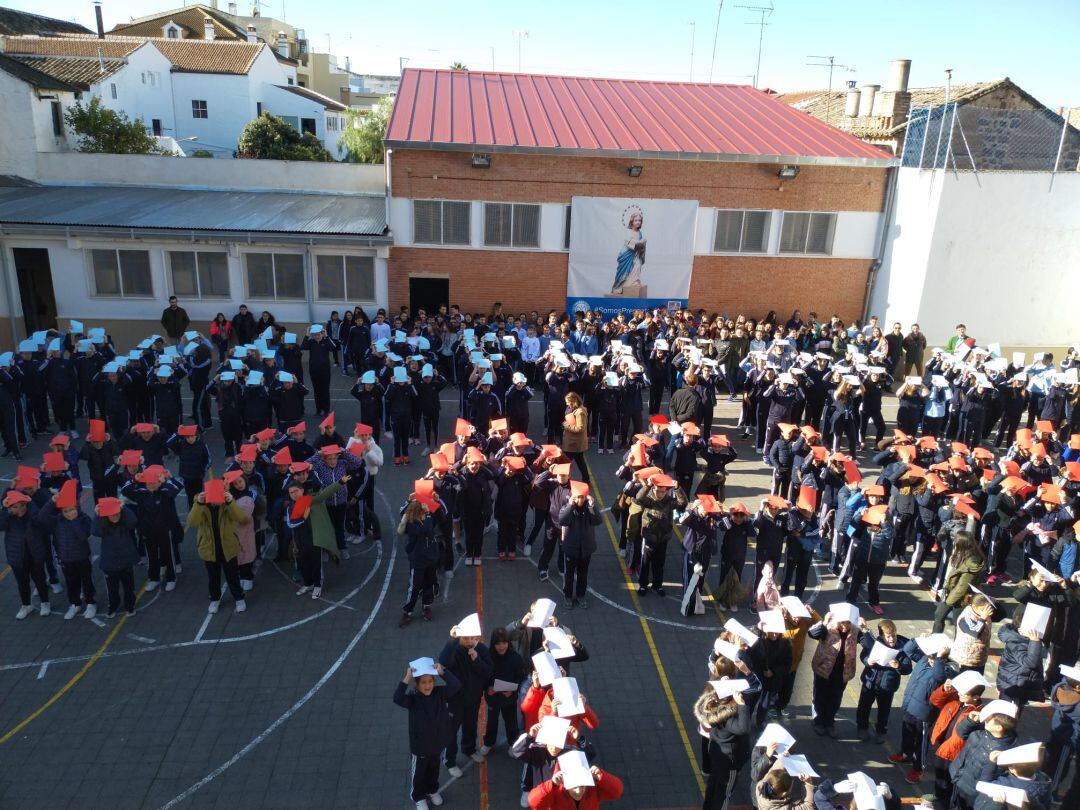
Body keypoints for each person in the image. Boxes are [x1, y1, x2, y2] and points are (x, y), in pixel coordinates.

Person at [393, 660, 461, 810]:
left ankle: (432, 790)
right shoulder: (412, 699)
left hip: (437, 744)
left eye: (430, 681)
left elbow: (456, 686)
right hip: (421, 747)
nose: (428, 685)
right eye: (423, 682)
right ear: (416, 684)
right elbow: (397, 698)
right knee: (419, 773)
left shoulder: (439, 693)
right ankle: (418, 797)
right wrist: (406, 677)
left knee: (434, 770)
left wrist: (443, 672)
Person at [439, 615, 494, 777]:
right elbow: (442, 663)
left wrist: (477, 660)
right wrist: (452, 641)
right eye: (465, 638)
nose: (469, 641)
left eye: (472, 637)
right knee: (452, 730)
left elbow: (489, 671)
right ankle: (449, 760)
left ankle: (469, 748)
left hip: (474, 698)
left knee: (471, 725)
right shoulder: (454, 649)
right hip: (456, 699)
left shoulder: (481, 650)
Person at [186, 480, 248, 614]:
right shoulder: (200, 504)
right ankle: (215, 599)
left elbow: (241, 518)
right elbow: (192, 522)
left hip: (228, 546)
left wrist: (231, 502)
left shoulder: (228, 503)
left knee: (232, 575)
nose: (216, 501)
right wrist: (199, 504)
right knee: (213, 577)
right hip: (209, 547)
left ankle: (239, 598)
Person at [855, 617, 912, 743]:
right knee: (864, 706)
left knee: (884, 710)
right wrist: (867, 661)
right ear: (881, 635)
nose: (892, 639)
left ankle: (881, 731)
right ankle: (862, 728)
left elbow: (908, 669)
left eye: (894, 635)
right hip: (870, 681)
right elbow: (864, 655)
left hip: (888, 686)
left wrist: (899, 666)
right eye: (888, 636)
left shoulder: (902, 648)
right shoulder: (874, 644)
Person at [808, 606, 860, 738]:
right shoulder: (828, 628)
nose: (844, 626)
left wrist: (865, 628)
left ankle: (829, 722)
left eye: (848, 623)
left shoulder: (855, 631)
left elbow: (870, 644)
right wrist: (824, 622)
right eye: (842, 622)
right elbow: (812, 633)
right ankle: (818, 721)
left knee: (835, 698)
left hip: (842, 672)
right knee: (820, 697)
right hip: (823, 670)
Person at [398, 493, 442, 627]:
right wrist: (428, 514)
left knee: (430, 582)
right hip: (418, 560)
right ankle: (408, 611)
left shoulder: (428, 517)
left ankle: (426, 606)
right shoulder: (412, 523)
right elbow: (426, 529)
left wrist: (437, 502)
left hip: (431, 558)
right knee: (415, 587)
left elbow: (442, 517)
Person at [481, 626, 526, 756]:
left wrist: (513, 690)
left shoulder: (515, 658)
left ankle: (513, 744)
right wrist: (487, 688)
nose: (501, 646)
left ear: (508, 642)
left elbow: (521, 678)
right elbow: (483, 675)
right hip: (493, 698)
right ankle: (489, 743)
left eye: (504, 642)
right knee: (492, 721)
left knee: (511, 721)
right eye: (498, 643)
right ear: (493, 644)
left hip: (509, 698)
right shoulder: (487, 657)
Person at [92, 496, 138, 618]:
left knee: (129, 587)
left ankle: (130, 605)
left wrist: (124, 508)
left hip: (125, 562)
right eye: (111, 514)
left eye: (117, 514)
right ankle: (113, 605)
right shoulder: (103, 526)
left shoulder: (125, 524)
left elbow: (133, 521)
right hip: (110, 564)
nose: (114, 516)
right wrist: (97, 515)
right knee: (112, 589)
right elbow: (95, 531)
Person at [558, 480, 600, 609]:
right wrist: (570, 506)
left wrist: (593, 507)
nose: (580, 500)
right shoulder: (567, 507)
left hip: (586, 549)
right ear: (573, 497)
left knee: (583, 574)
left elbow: (597, 520)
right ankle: (568, 596)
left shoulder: (589, 508)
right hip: (571, 548)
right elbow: (563, 521)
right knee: (568, 575)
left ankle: (581, 595)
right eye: (577, 497)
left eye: (582, 497)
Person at [562, 392, 589, 480]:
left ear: (573, 401)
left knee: (565, 462)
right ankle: (586, 479)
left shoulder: (580, 412)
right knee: (580, 462)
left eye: (567, 402)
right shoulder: (574, 409)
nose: (566, 404)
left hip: (574, 443)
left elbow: (580, 428)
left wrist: (567, 426)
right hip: (573, 443)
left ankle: (564, 480)